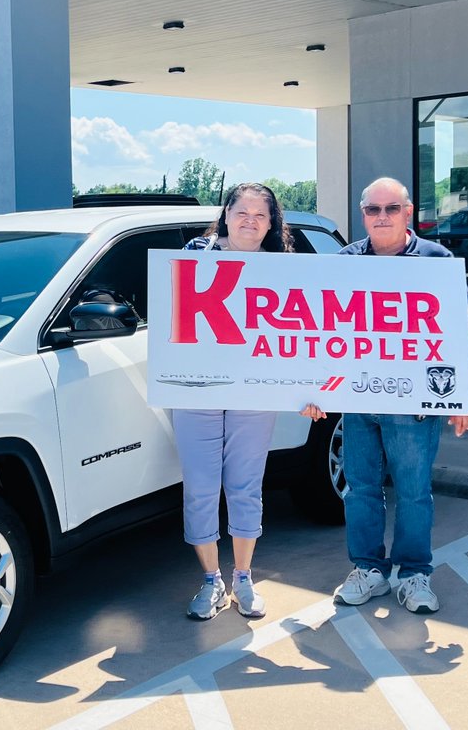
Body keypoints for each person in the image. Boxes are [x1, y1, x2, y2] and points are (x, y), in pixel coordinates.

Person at [302, 177, 468, 615]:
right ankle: (369, 570)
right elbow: (321, 331)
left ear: (408, 212)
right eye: (373, 210)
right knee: (360, 489)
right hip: (358, 404)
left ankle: (415, 574)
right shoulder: (343, 261)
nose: (382, 217)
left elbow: (464, 329)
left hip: (414, 406)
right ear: (362, 214)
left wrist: (463, 396)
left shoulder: (437, 259)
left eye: (391, 209)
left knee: (414, 492)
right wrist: (313, 387)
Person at [173, 182, 293, 621]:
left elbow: (300, 336)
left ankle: (243, 577)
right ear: (226, 214)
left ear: (270, 222)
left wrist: (310, 387)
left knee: (245, 485)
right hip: (196, 388)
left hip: (254, 388)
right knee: (200, 488)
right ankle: (211, 581)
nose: (250, 221)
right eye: (242, 212)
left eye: (260, 215)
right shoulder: (195, 251)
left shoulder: (281, 266)